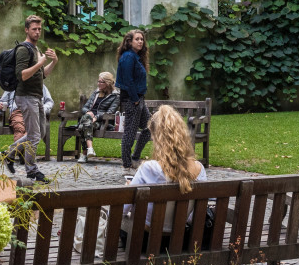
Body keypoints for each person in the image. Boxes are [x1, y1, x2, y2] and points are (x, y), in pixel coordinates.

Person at [124, 105, 207, 239]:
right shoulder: (199, 168)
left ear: (156, 137)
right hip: (180, 240)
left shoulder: (149, 168)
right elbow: (194, 216)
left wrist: (128, 191)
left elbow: (122, 210)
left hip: (145, 240)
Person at [7, 15, 57, 183]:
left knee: (40, 132)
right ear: (27, 30)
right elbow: (21, 75)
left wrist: (53, 62)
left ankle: (8, 153)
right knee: (34, 136)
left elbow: (42, 75)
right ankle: (32, 171)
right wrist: (40, 62)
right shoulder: (23, 49)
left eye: (39, 29)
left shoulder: (37, 50)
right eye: (34, 29)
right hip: (26, 97)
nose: (37, 32)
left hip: (37, 97)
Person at [115, 28, 150, 172]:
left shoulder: (135, 57)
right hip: (131, 100)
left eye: (141, 39)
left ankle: (135, 157)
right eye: (137, 39)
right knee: (129, 132)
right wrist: (135, 100)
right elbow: (128, 81)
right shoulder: (128, 57)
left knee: (149, 127)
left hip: (139, 99)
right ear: (129, 42)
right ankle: (127, 163)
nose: (140, 41)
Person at [0, 84, 53, 168]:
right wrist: (0, 105)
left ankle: (11, 153)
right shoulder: (13, 84)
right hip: (17, 112)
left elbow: (49, 101)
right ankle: (25, 159)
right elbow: (1, 101)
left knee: (31, 132)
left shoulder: (40, 84)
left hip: (34, 111)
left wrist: (43, 109)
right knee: (20, 130)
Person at [74, 71, 119, 163]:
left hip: (102, 122)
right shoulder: (96, 93)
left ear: (107, 83)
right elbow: (85, 107)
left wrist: (96, 117)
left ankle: (85, 154)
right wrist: (88, 112)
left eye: (100, 82)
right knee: (86, 121)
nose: (98, 83)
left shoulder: (116, 96)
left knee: (82, 126)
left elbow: (110, 112)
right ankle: (90, 149)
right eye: (98, 81)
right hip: (89, 119)